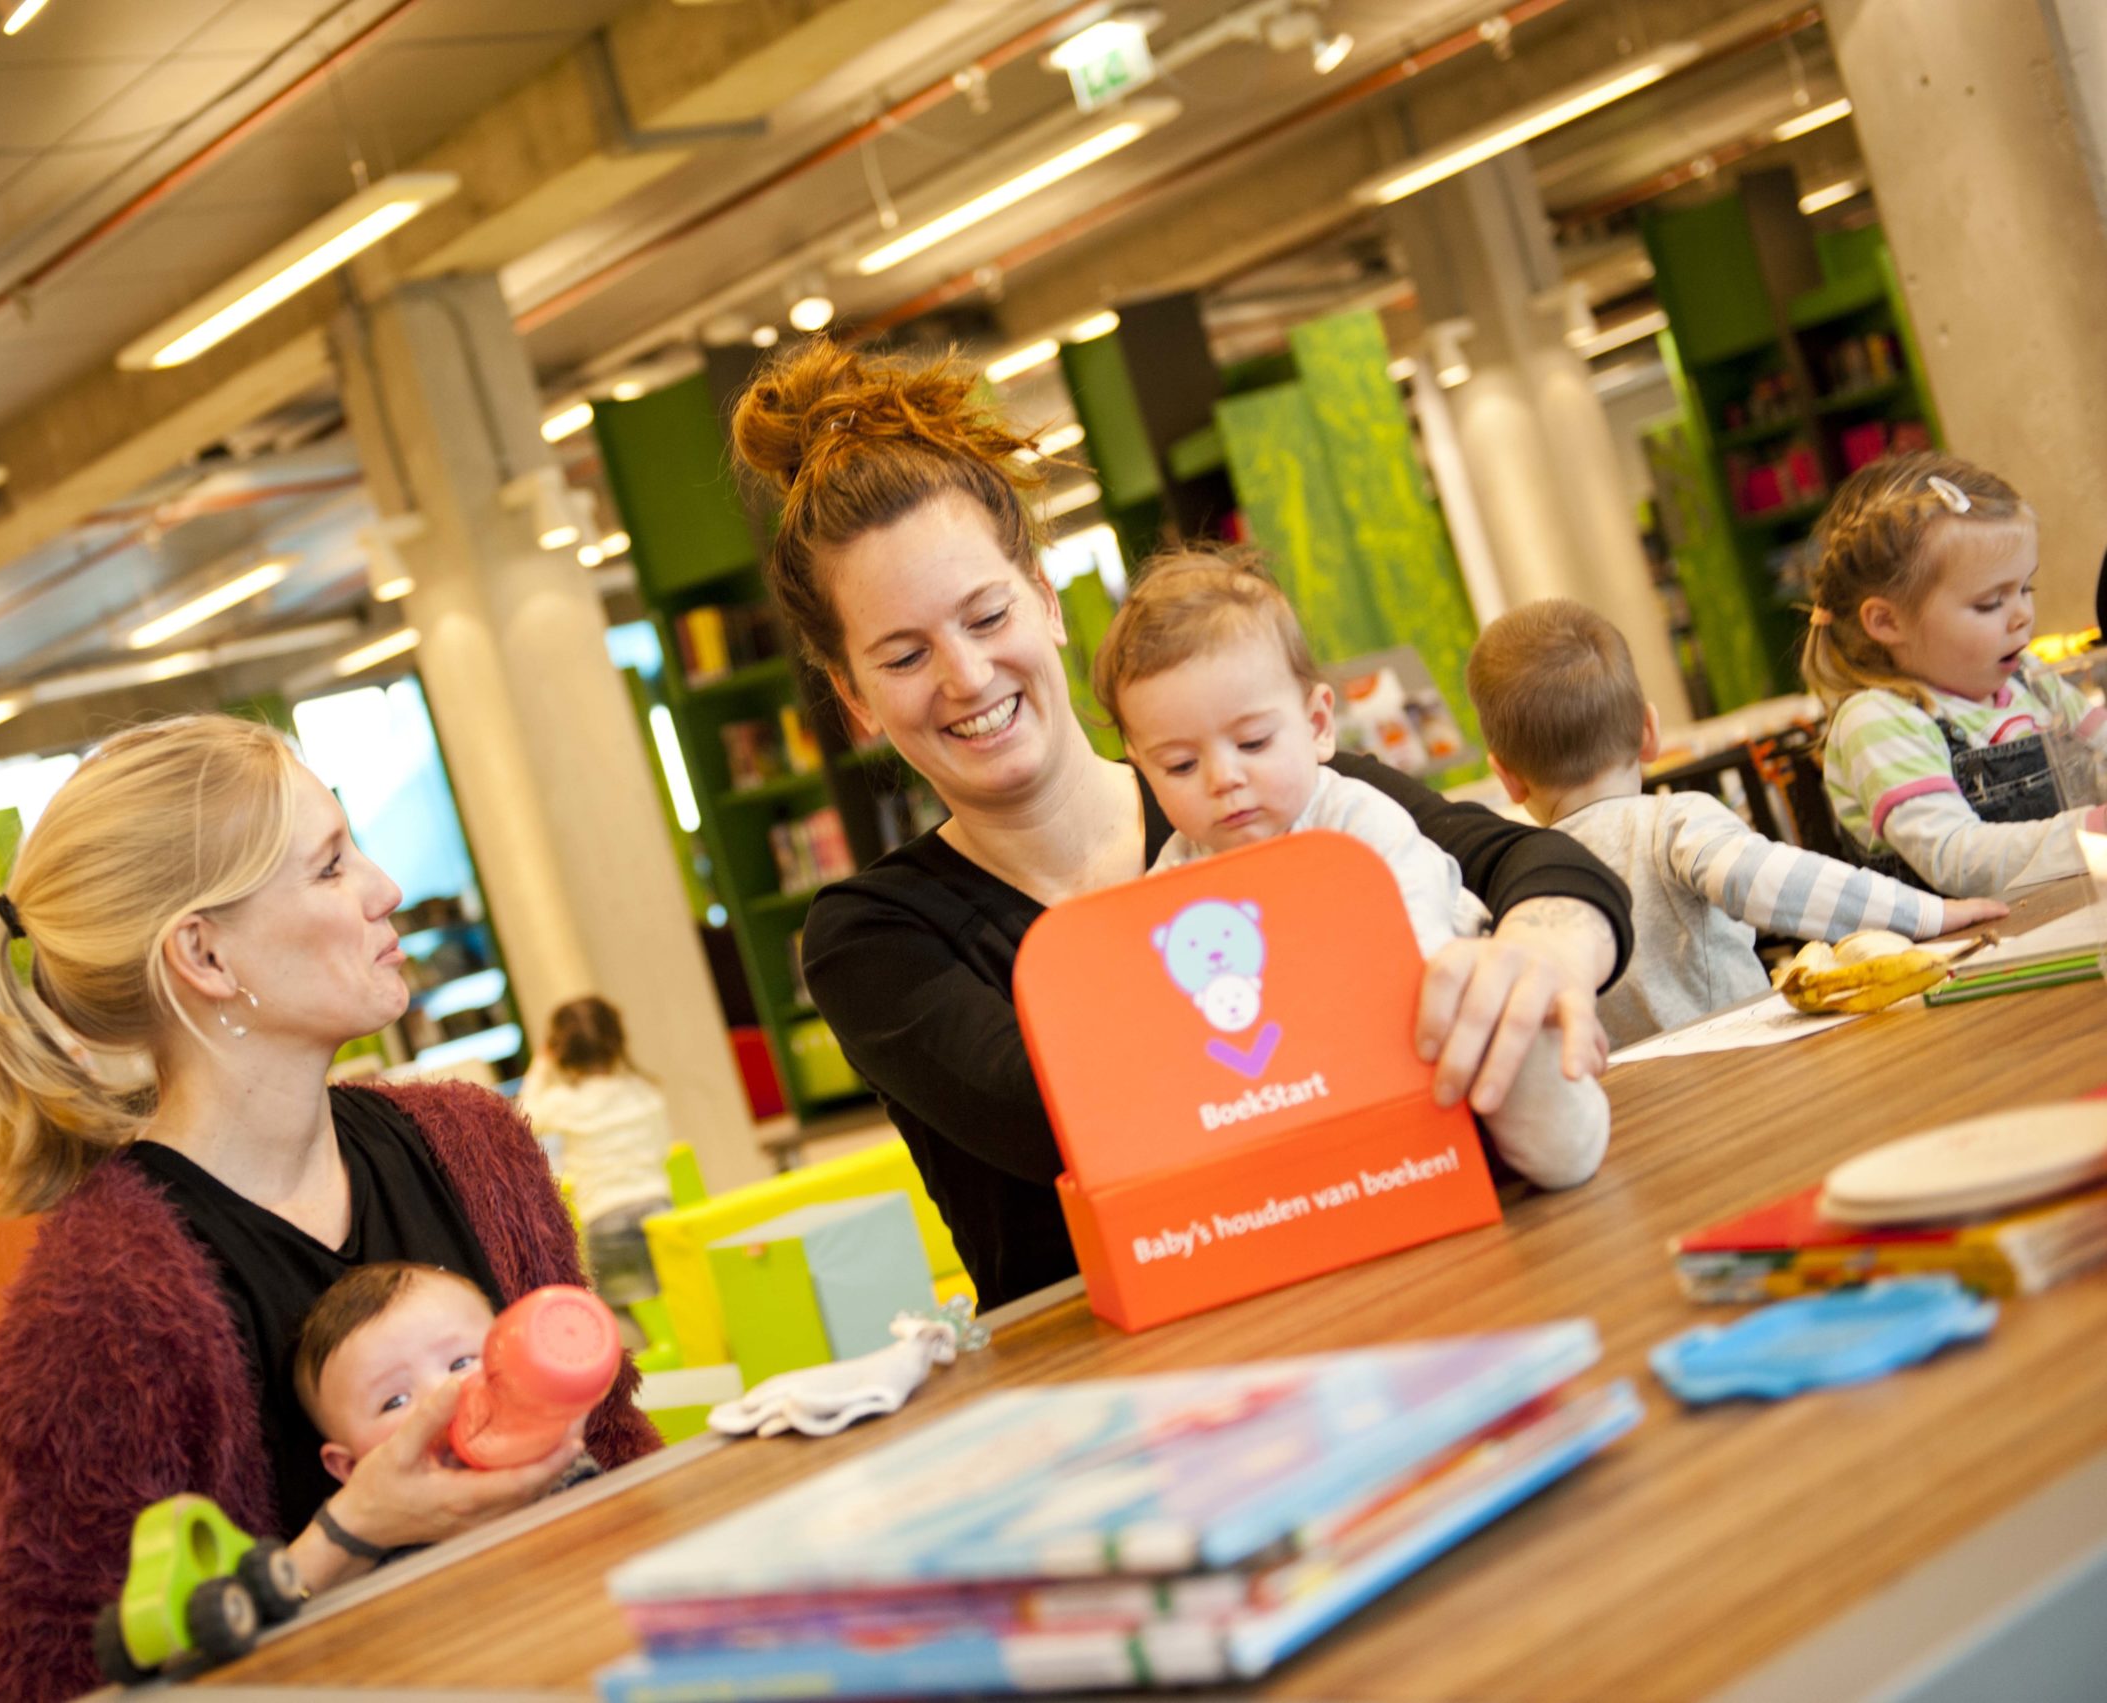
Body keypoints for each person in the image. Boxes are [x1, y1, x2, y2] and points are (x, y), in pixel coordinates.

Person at [728, 340, 1637, 1308]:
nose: (967, 675)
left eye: (987, 617)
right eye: (905, 656)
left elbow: (1537, 865)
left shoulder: (1263, 787)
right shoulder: (873, 940)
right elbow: (1073, 1117)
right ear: (854, 697)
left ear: (1046, 603)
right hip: (1147, 1373)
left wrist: (1540, 951)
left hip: (1432, 1280)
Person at [0, 715, 659, 1703]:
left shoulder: (477, 1144)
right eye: (330, 865)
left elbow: (610, 1445)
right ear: (205, 955)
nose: (385, 888)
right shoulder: (99, 1309)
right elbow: (51, 1679)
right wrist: (349, 1536)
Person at [1098, 555, 1608, 1186]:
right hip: (1322, 1076)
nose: (1223, 778)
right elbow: (1158, 994)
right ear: (1143, 768)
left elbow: (1416, 939)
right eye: (1180, 765)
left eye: (1253, 743)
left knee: (1551, 1135)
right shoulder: (1175, 876)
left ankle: (1555, 1108)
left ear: (1317, 725)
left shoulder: (1353, 815)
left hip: (1441, 1019)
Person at [1469, 599, 2005, 1047]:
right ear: (1649, 733)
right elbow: (1779, 881)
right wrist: (1926, 913)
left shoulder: (1518, 876)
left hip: (1625, 1104)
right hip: (1741, 1059)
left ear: (1508, 777)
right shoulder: (1673, 824)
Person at [1808, 453, 2107, 894]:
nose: (2023, 615)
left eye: (2025, 588)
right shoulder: (1877, 720)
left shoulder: (2032, 681)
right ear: (1887, 622)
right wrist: (2089, 830)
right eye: (1990, 603)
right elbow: (1957, 859)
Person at [293, 1262, 598, 1494]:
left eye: (460, 1363)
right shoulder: (380, 1549)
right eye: (395, 1401)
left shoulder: (561, 1465)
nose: (444, 1396)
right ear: (350, 1467)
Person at [519, 997, 674, 1305]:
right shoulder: (644, 1091)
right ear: (618, 1041)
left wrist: (541, 1064)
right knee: (675, 1303)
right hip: (660, 1209)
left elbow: (522, 1115)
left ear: (559, 1050)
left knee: (619, 1313)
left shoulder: (563, 1103)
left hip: (606, 1216)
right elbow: (662, 1149)